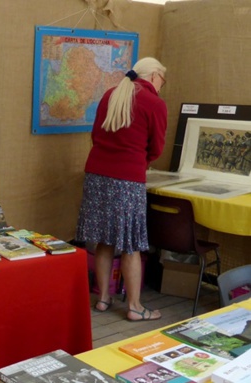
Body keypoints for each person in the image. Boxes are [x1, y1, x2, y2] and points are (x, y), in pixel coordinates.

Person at [76, 57, 168, 322]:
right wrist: (140, 162)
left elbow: (96, 135)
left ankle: (104, 298)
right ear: (153, 76)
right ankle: (136, 307)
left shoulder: (110, 95)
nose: (163, 85)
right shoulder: (154, 103)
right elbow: (157, 147)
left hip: (97, 175)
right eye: (163, 79)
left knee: (104, 239)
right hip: (127, 180)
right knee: (130, 245)